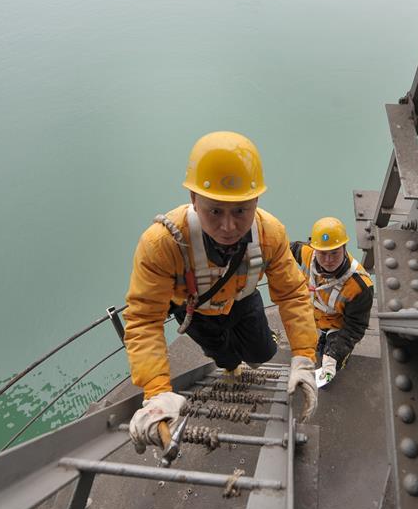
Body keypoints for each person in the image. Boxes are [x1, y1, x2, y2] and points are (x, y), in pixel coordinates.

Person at [123, 131, 319, 449]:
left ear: (256, 202)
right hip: (194, 310)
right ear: (194, 201)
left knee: (263, 353)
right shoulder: (162, 244)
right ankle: (229, 365)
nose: (228, 227)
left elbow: (292, 293)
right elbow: (145, 318)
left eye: (240, 211)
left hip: (242, 300)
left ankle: (249, 356)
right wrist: (157, 391)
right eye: (215, 211)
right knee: (223, 357)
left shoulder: (270, 234)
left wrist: (304, 357)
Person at [290, 217, 374, 388]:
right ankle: (323, 339)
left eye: (334, 252)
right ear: (314, 249)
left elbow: (355, 327)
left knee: (329, 371)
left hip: (338, 326)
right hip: (315, 315)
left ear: (344, 248)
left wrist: (335, 353)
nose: (328, 260)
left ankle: (336, 356)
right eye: (323, 253)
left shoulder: (359, 287)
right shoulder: (306, 253)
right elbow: (284, 250)